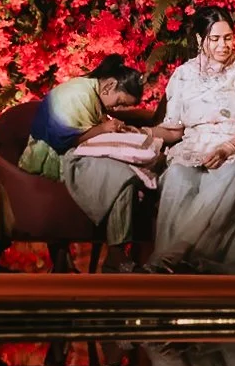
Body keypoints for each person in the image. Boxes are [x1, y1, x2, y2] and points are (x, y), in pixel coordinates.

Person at [149, 7, 235, 273]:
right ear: (200, 40)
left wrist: (227, 148)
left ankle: (176, 255)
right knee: (176, 176)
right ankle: (173, 262)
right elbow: (174, 129)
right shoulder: (184, 75)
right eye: (215, 39)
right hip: (193, 147)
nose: (223, 45)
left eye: (228, 38)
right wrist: (142, 133)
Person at [18, 55, 177, 268]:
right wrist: (102, 129)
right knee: (121, 176)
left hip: (81, 151)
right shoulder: (79, 94)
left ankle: (119, 252)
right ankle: (116, 252)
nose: (118, 110)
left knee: (131, 173)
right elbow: (64, 139)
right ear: (109, 86)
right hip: (56, 155)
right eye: (120, 103)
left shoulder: (95, 94)